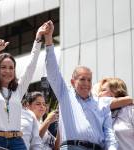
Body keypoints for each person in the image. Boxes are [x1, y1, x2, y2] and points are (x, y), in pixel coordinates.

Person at [0, 21, 50, 149]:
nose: (8, 71)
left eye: (11, 68)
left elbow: (31, 66)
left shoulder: (18, 90)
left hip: (17, 142)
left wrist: (38, 39)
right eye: (3, 67)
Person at [45, 20, 117, 150]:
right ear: (73, 82)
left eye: (89, 80)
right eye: (82, 79)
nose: (87, 83)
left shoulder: (101, 104)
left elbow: (109, 134)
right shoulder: (65, 95)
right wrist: (49, 39)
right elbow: (52, 71)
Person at [98, 77, 134, 150]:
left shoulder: (130, 110)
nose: (99, 94)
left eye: (103, 90)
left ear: (116, 91)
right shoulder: (101, 114)